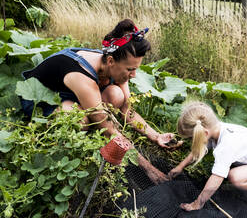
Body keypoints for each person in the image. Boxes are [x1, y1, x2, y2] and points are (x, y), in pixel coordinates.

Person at [20, 19, 178, 183]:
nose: (133, 75)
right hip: (41, 97)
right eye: (130, 70)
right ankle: (65, 153)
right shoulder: (83, 77)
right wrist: (149, 169)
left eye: (136, 69)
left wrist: (155, 135)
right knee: (79, 120)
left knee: (116, 95)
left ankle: (91, 117)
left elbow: (126, 108)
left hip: (75, 93)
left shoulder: (118, 62)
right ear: (110, 61)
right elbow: (109, 128)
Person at [168, 102, 247, 211]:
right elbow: (199, 151)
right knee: (229, 172)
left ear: (204, 133)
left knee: (234, 177)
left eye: (190, 139)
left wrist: (198, 203)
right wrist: (180, 166)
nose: (190, 142)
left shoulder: (226, 145)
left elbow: (217, 177)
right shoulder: (217, 129)